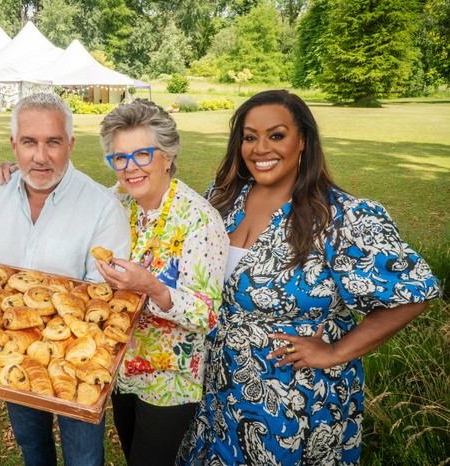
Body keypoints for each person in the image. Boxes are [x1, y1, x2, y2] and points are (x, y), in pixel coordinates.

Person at [176, 90, 441, 465]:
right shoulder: (221, 201)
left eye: (277, 135)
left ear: (303, 141)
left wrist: (334, 351)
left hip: (294, 401)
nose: (260, 148)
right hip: (217, 386)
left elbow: (414, 293)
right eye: (250, 137)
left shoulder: (340, 216)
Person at [0, 92, 132, 466]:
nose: (41, 157)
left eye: (53, 142)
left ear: (70, 144)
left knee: (84, 457)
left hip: (77, 364)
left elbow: (100, 304)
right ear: (14, 145)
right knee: (31, 446)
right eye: (29, 143)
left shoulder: (102, 209)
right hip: (12, 354)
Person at [92, 99, 229, 466]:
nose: (129, 167)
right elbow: (66, 199)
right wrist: (11, 172)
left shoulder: (200, 220)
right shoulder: (117, 202)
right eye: (119, 157)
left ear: (167, 156)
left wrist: (152, 287)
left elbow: (205, 315)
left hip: (169, 380)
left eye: (142, 154)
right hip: (121, 369)